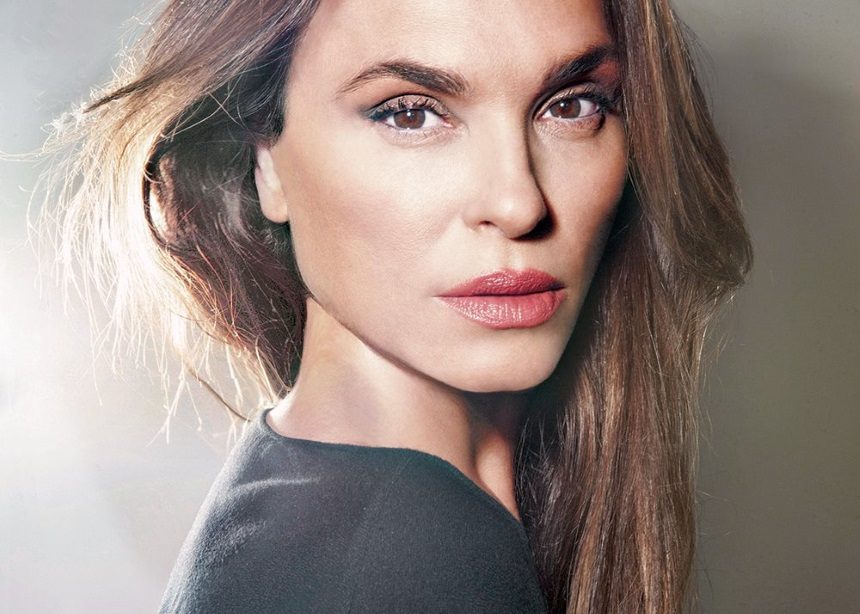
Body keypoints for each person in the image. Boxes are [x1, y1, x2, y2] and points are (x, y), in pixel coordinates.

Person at [45, 0, 752, 612]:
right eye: (410, 113)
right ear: (266, 161)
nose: (518, 202)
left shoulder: (321, 505)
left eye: (571, 105)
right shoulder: (408, 559)